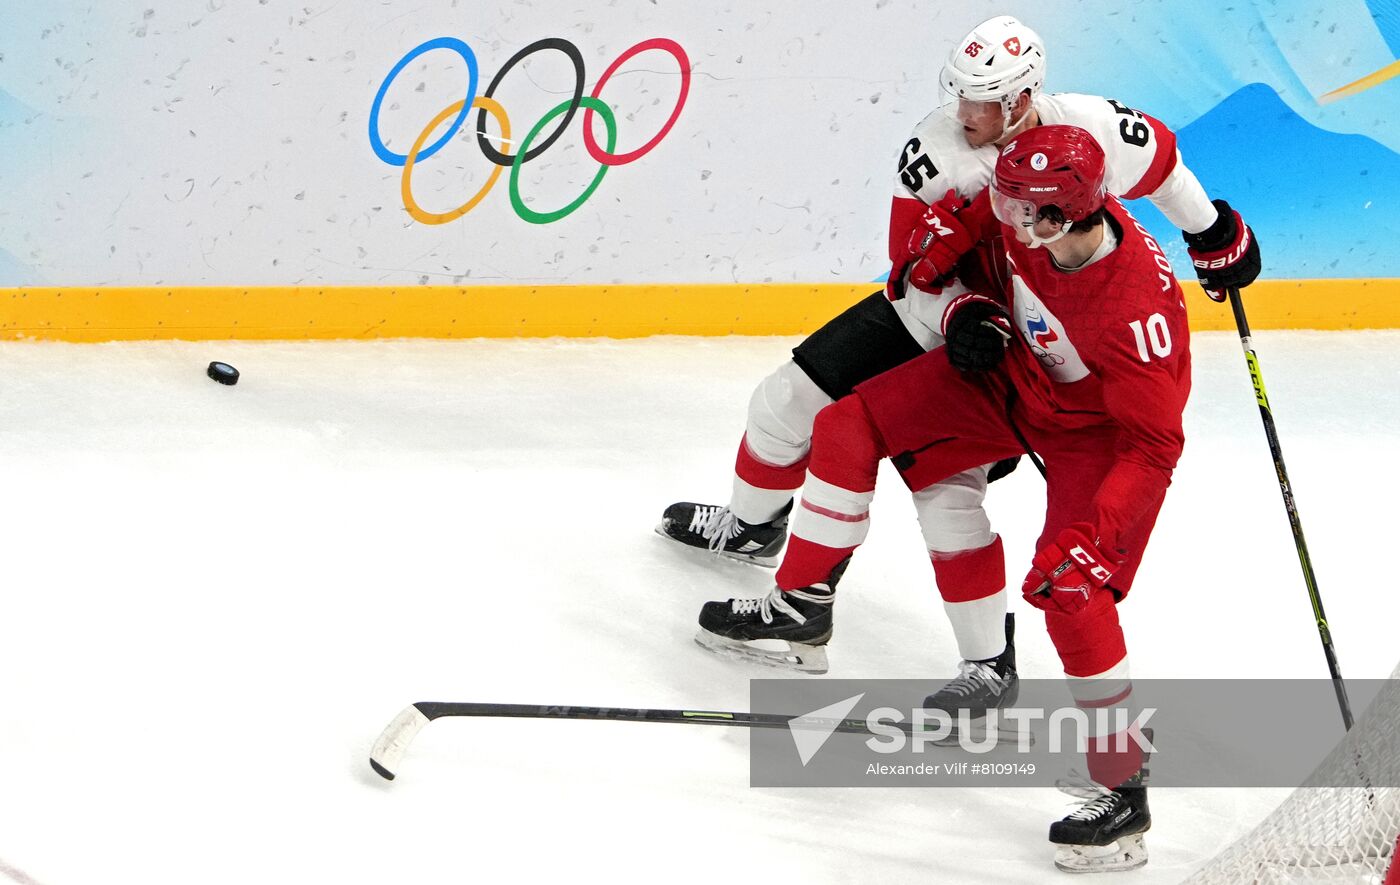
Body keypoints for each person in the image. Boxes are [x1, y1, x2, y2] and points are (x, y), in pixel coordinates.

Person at [659, 14, 1259, 684]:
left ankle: (987, 665)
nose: (963, 112)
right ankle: (754, 532)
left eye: (983, 99)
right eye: (962, 93)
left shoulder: (1089, 137)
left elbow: (1165, 166)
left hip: (1035, 346)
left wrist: (1210, 233)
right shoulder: (937, 153)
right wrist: (961, 310)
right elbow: (911, 267)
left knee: (947, 490)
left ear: (1023, 100)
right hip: (954, 318)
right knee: (786, 405)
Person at [702, 125, 1182, 872]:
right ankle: (803, 606)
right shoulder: (1036, 212)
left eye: (1022, 208)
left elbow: (1154, 446)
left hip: (1099, 437)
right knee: (845, 422)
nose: (1005, 211)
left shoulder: (1136, 313)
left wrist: (1101, 535)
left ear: (1061, 218)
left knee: (1071, 589)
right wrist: (944, 240)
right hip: (1016, 382)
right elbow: (976, 224)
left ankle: (1124, 793)